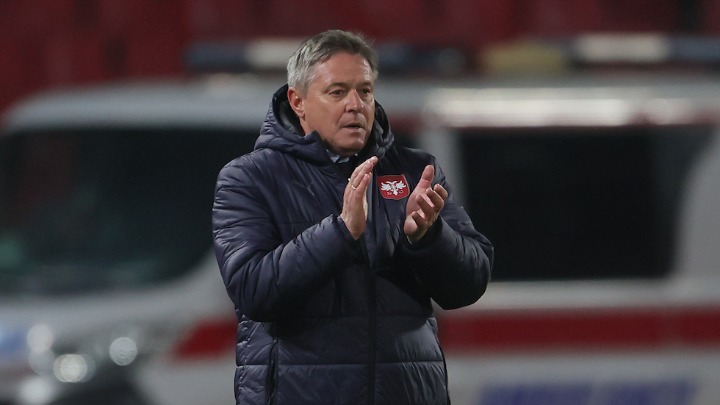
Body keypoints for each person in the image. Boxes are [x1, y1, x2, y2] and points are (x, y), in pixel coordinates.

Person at [212, 29, 493, 405]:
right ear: (298, 101)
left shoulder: (416, 172)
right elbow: (253, 291)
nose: (355, 105)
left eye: (364, 91)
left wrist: (428, 238)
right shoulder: (250, 178)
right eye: (337, 92)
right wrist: (340, 233)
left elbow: (470, 284)